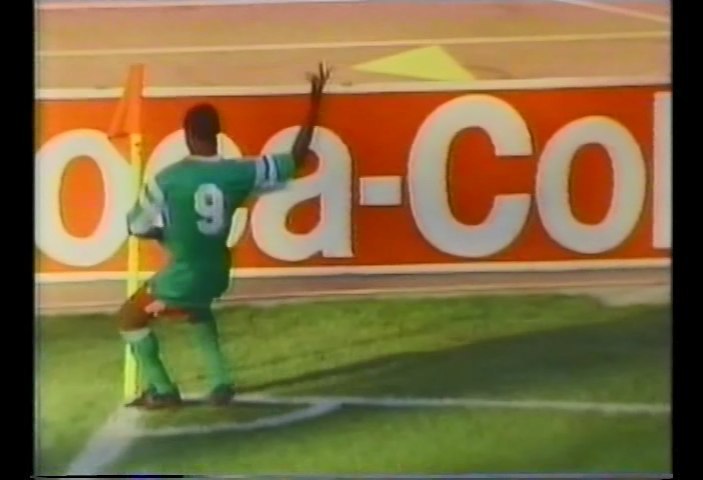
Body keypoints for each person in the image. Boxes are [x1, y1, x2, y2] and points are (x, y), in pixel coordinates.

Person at [117, 62, 331, 409]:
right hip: (217, 271)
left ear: (187, 135)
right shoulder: (239, 172)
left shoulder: (167, 178)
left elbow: (136, 226)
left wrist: (161, 232)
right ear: (218, 134)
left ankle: (163, 389)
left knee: (130, 316)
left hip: (182, 275)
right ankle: (220, 382)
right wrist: (315, 103)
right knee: (197, 310)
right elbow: (297, 159)